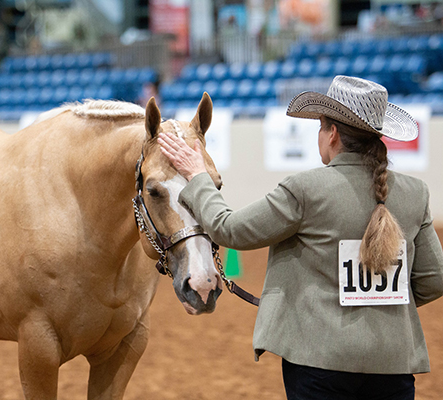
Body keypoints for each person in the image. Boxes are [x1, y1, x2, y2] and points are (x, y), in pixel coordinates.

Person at [158, 75, 443, 400]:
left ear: (332, 133)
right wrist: (377, 304)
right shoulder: (416, 193)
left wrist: (197, 178)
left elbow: (230, 229)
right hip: (394, 363)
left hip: (318, 361)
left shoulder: (305, 189)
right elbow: (434, 280)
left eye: (320, 127)